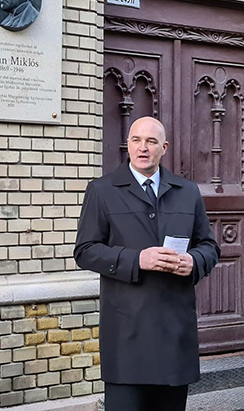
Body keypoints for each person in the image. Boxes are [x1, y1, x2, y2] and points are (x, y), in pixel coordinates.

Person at [75, 116, 220, 411]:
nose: (143, 147)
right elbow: (85, 251)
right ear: (128, 144)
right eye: (136, 140)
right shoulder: (102, 190)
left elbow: (209, 246)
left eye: (151, 141)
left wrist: (194, 261)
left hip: (174, 333)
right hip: (127, 334)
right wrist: (137, 259)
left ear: (163, 148)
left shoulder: (187, 191)